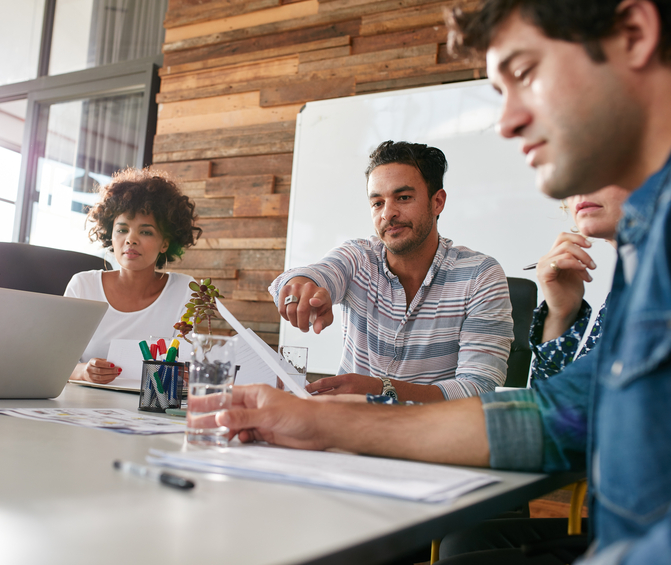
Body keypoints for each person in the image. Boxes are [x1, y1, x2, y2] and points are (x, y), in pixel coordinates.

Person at [216, 0, 671, 563]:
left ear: (633, 34)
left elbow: (521, 406)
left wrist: (361, 406)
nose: (508, 122)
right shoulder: (644, 245)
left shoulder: (484, 272)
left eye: (526, 73)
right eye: (377, 201)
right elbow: (562, 415)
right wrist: (322, 418)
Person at [269, 140, 513, 403]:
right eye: (377, 203)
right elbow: (319, 273)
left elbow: (480, 389)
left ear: (437, 202)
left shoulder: (480, 275)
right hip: (347, 430)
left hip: (435, 436)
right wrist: (300, 283)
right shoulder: (360, 257)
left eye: (403, 198)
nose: (388, 214)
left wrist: (380, 390)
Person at [64, 168, 201, 384]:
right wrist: (83, 372)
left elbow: (185, 366)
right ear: (111, 235)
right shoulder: (83, 286)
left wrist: (186, 373)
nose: (131, 239)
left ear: (165, 243)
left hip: (154, 407)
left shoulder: (185, 290)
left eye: (145, 232)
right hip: (86, 405)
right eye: (122, 230)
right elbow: (54, 362)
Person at [529, 185, 629, 384]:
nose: (582, 186)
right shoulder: (628, 284)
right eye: (574, 177)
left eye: (602, 169)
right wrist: (561, 315)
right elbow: (550, 406)